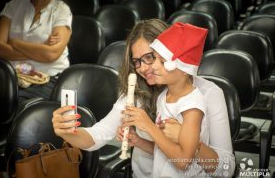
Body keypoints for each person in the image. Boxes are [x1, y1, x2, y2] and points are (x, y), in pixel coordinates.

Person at [52, 19, 235, 177]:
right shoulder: (138, 90)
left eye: (150, 57)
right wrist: (69, 133)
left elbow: (227, 169)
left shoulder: (209, 93)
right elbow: (99, 134)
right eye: (137, 61)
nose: (144, 68)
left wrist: (189, 142)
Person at [120, 22, 211, 177]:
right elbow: (163, 149)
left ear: (184, 68)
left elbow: (183, 161)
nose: (152, 66)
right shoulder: (164, 96)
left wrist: (150, 127)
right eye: (154, 59)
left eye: (161, 62)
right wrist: (138, 142)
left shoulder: (193, 105)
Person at [0, 0, 72, 103]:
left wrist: (14, 43)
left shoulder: (62, 10)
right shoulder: (14, 4)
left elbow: (51, 54)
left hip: (47, 77)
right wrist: (41, 49)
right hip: (11, 74)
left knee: (16, 104)